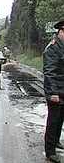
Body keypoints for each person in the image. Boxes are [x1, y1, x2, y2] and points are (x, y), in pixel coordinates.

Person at [44, 20, 64, 163]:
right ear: (61, 31)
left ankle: (56, 141)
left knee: (60, 119)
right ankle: (50, 151)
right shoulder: (53, 48)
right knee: (53, 120)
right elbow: (50, 72)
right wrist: (53, 93)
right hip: (55, 90)